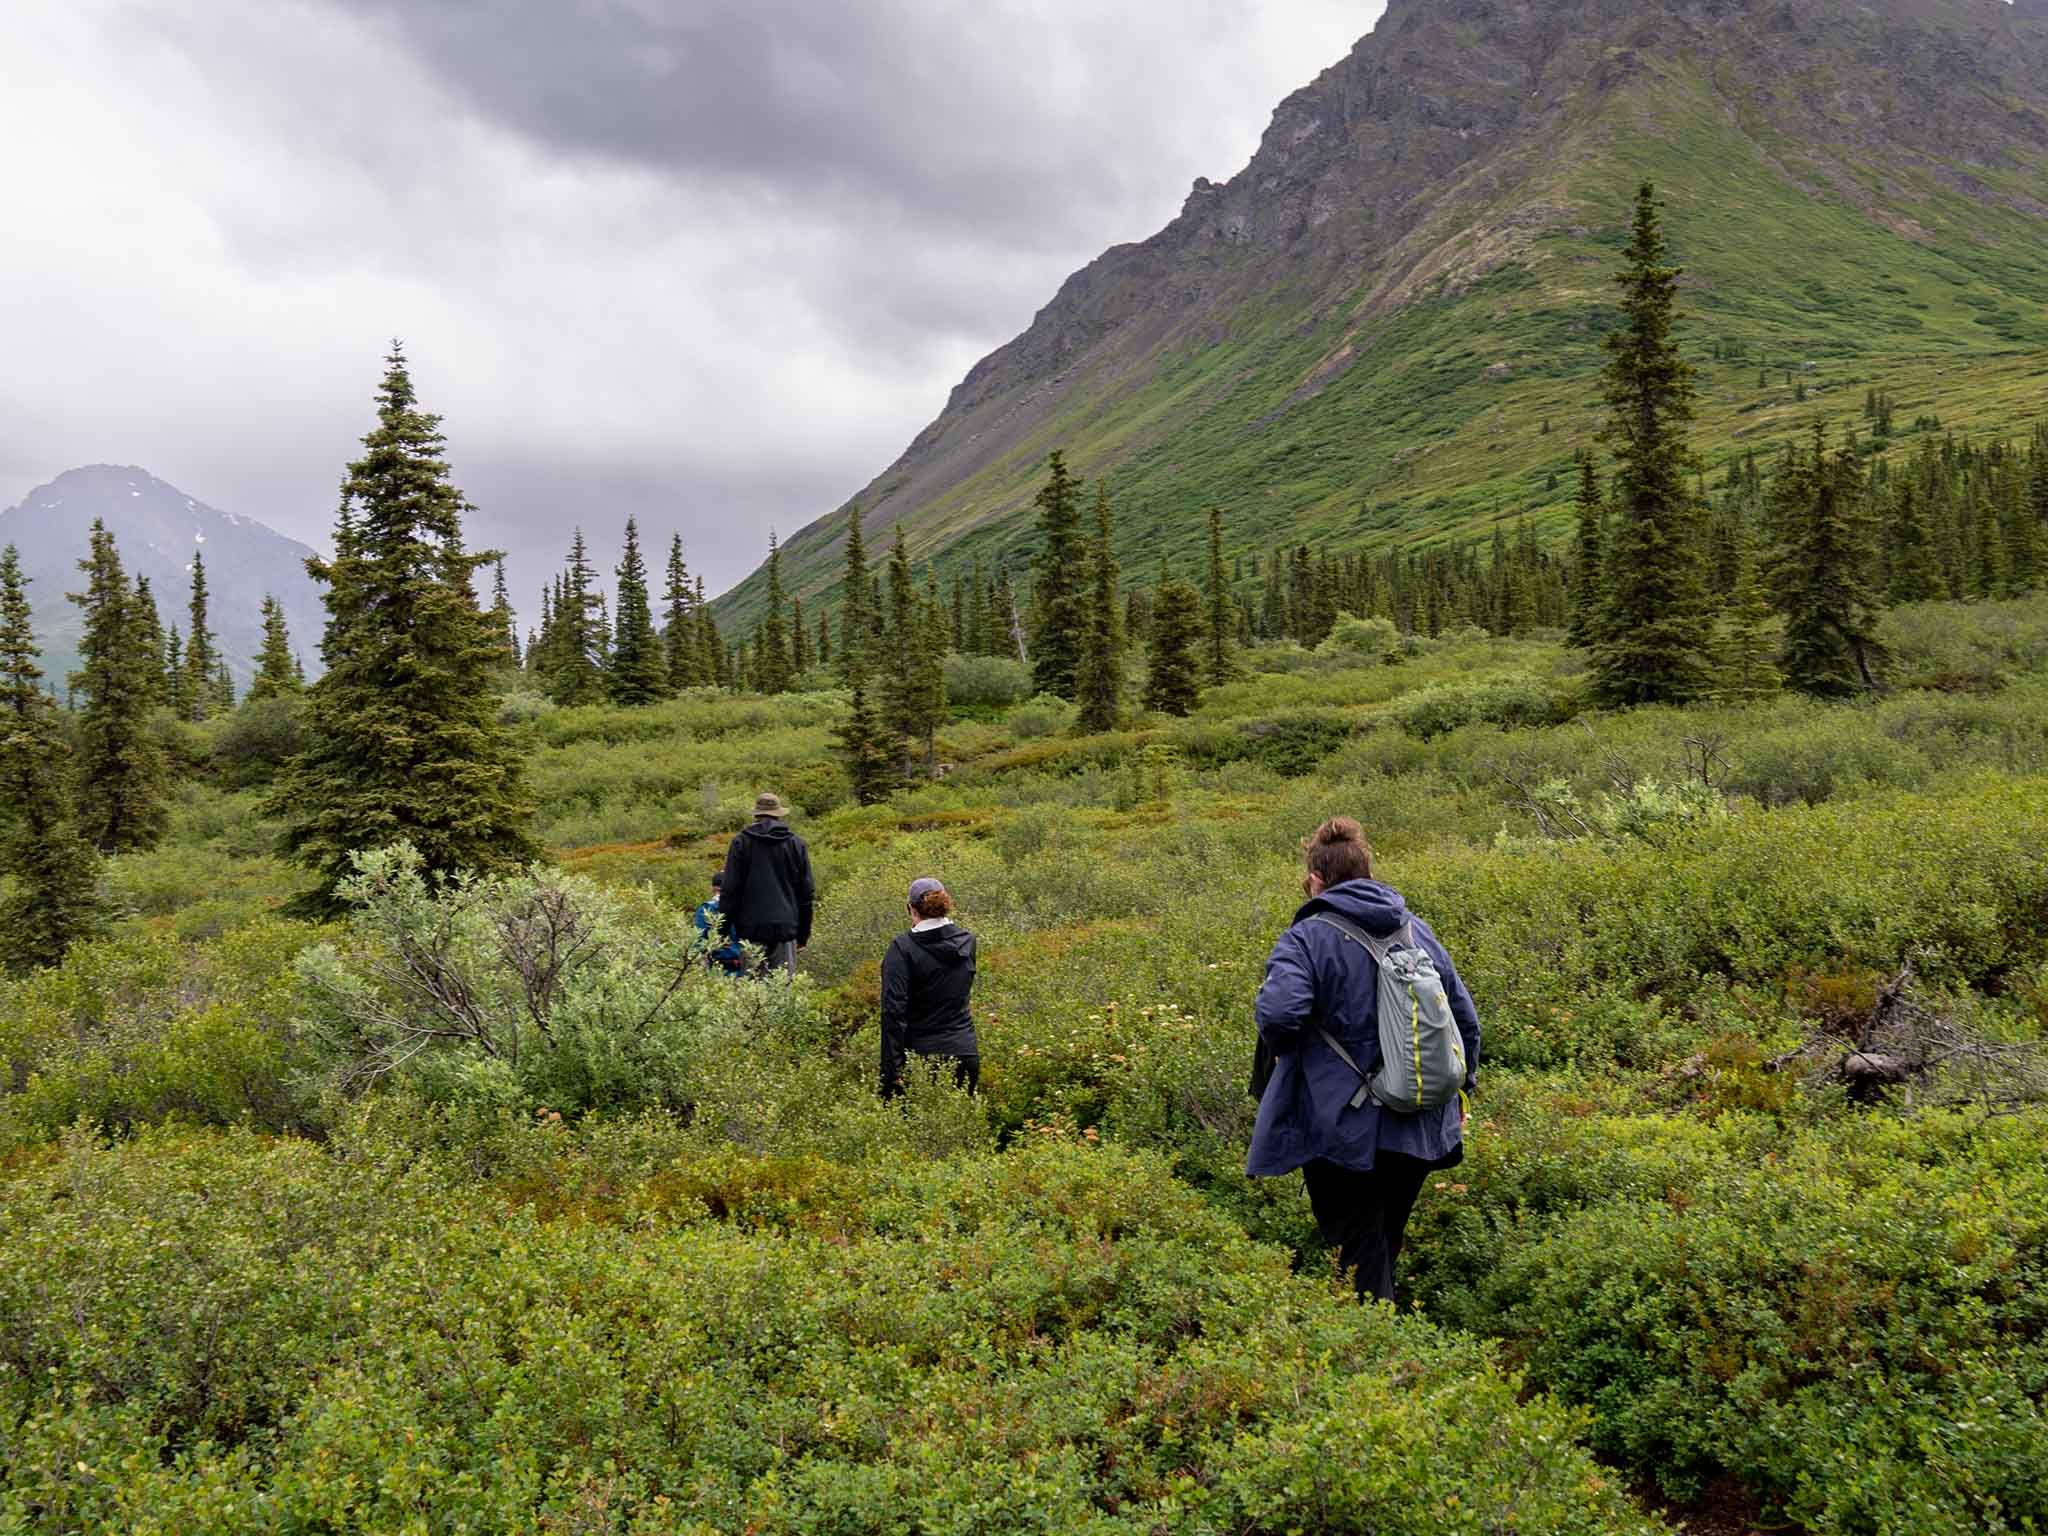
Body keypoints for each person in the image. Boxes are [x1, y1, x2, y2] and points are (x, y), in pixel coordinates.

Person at [1247, 817, 1480, 1304]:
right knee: (1380, 1239)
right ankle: (1387, 1337)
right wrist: (1462, 1088)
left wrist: (1299, 1064)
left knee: (1357, 1249)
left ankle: (1377, 1358)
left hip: (1339, 1124)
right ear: (1368, 872)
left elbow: (1279, 1014)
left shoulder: (1306, 938)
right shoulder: (1417, 930)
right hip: (1418, 1117)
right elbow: (1464, 1019)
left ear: (1315, 880)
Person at [880, 876, 979, 1097]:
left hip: (922, 1057)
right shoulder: (967, 942)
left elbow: (893, 1011)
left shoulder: (902, 949)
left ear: (910, 908)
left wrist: (891, 1069)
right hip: (965, 1052)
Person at [718, 791, 815, 977]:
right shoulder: (796, 844)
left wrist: (722, 932)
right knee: (781, 990)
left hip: (751, 929)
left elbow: (730, 891)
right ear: (779, 814)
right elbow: (806, 893)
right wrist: (803, 935)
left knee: (752, 994)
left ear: (756, 814)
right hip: (786, 929)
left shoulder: (741, 842)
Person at [692, 871, 745, 976]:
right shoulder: (744, 909)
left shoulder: (706, 909)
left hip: (718, 970)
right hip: (745, 970)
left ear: (713, 888)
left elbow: (698, 941)